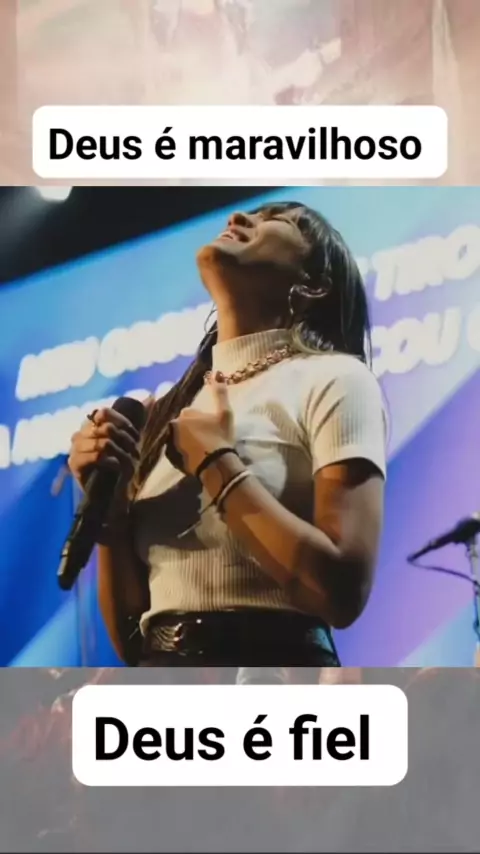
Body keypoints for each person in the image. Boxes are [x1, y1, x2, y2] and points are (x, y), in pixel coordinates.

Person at [67, 201, 387, 668]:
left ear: (314, 284)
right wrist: (111, 514)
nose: (238, 219)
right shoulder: (169, 411)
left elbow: (342, 593)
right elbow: (133, 643)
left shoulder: (337, 379)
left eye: (276, 220)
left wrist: (217, 462)